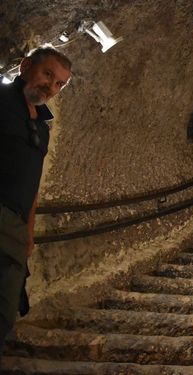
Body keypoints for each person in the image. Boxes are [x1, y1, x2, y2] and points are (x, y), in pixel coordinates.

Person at [0, 47, 72, 357]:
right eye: (47, 74)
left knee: (5, 307)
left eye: (59, 84)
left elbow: (33, 185)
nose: (51, 87)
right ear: (26, 66)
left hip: (14, 227)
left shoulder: (41, 128)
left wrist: (28, 232)